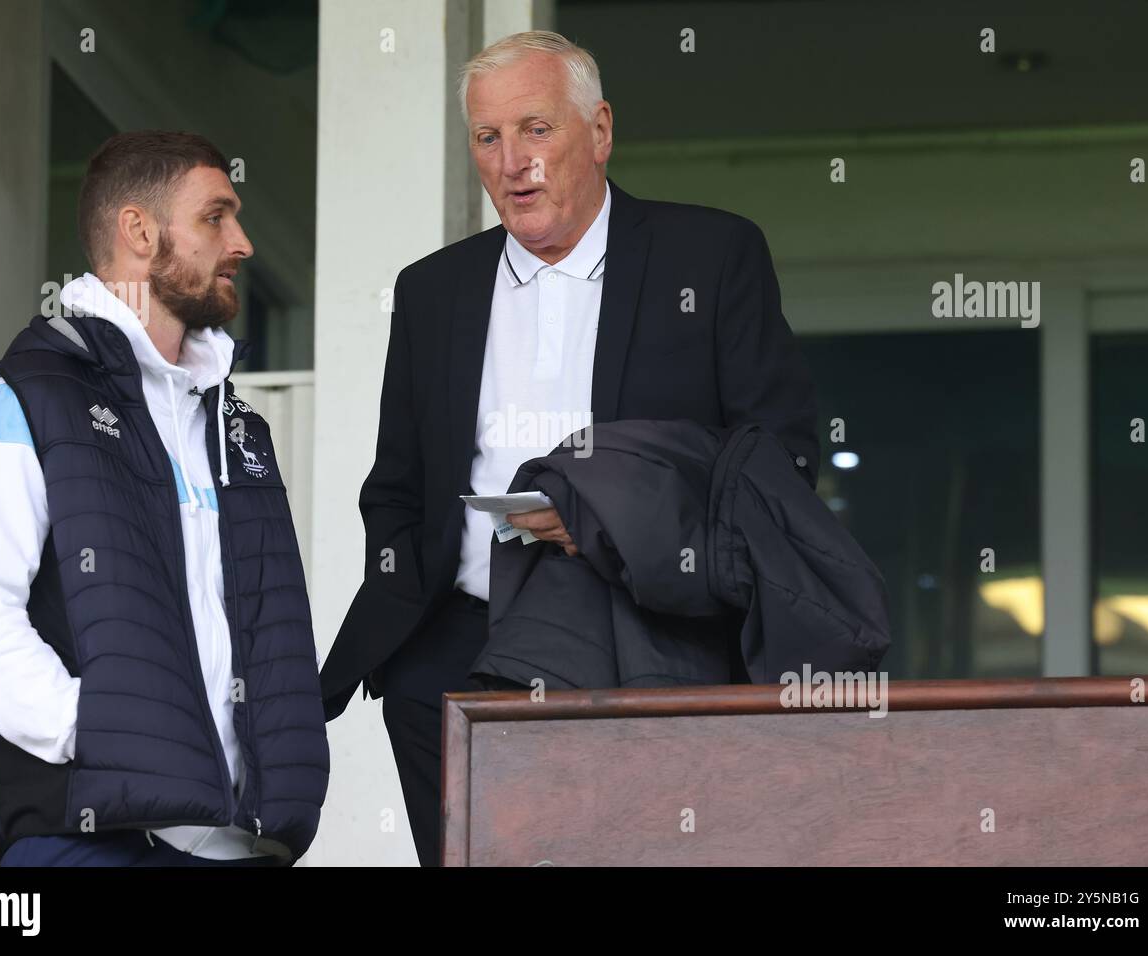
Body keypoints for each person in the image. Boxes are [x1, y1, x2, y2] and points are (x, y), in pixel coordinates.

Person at [320, 30, 820, 867]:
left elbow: (779, 463)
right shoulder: (431, 290)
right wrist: (409, 614)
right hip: (459, 652)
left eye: (537, 129)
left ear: (600, 130)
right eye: (489, 137)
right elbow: (396, 484)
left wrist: (616, 522)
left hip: (650, 640)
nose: (513, 161)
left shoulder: (711, 255)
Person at [0, 130, 328, 866]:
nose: (241, 242)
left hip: (243, 845)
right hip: (89, 842)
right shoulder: (28, 395)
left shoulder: (236, 425)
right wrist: (94, 728)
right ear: (140, 232)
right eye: (216, 216)